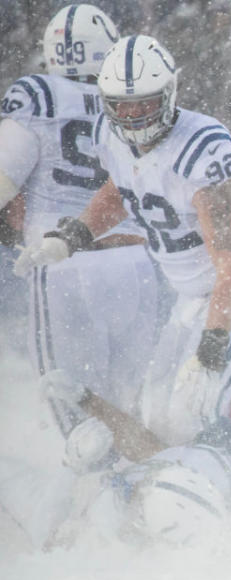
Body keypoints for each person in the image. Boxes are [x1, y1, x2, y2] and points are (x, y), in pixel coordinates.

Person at [13, 34, 231, 443]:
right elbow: (120, 191)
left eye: (145, 103)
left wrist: (213, 345)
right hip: (195, 292)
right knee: (157, 409)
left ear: (169, 93)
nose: (134, 117)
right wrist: (72, 236)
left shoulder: (203, 149)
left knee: (195, 408)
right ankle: (163, 491)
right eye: (123, 106)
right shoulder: (109, 136)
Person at [2, 5, 159, 436]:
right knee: (128, 411)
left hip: (64, 261)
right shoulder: (133, 97)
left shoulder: (39, 95)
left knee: (77, 413)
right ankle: (138, 492)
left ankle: (94, 494)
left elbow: (3, 180)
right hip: (135, 263)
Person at [37, 368, 231, 548]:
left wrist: (71, 466)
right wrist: (85, 398)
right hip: (228, 463)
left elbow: (45, 543)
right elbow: (145, 445)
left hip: (216, 474)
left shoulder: (113, 517)